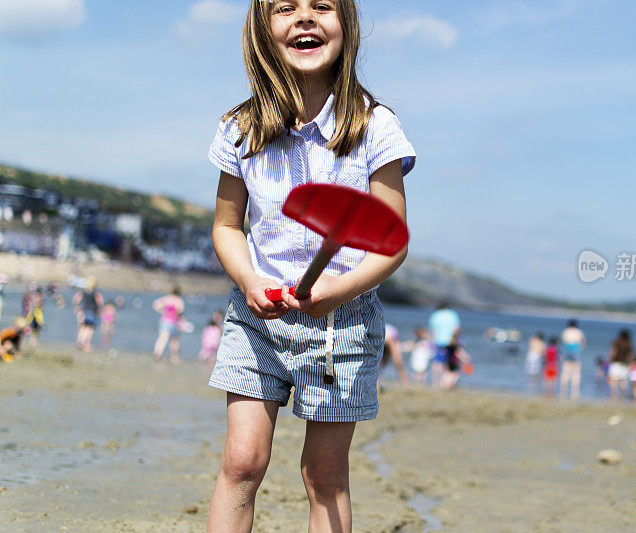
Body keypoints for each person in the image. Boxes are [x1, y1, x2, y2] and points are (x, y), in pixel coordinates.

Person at [204, 1, 416, 530]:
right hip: (259, 317)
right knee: (242, 461)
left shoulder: (374, 126)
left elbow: (391, 242)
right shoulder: (241, 128)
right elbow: (228, 227)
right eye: (285, 8)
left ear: (346, 23)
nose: (304, 18)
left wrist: (340, 291)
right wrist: (249, 280)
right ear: (262, 28)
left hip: (340, 325)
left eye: (322, 6)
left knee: (323, 473)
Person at [428, 302, 461, 388]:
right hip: (451, 342)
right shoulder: (452, 314)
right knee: (449, 362)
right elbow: (457, 329)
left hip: (439, 341)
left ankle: (436, 382)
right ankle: (446, 382)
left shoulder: (435, 315)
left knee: (437, 362)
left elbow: (432, 331)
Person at [152, 287, 185, 364]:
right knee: (175, 341)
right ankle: (174, 358)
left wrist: (162, 311)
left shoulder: (167, 298)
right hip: (174, 322)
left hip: (165, 321)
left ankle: (157, 353)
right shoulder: (179, 300)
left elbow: (155, 304)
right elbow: (180, 311)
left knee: (162, 338)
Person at [72, 277, 103, 353]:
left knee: (83, 327)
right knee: (90, 329)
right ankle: (86, 344)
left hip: (84, 311)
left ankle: (79, 341)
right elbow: (100, 301)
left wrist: (76, 307)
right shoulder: (95, 292)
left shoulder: (83, 291)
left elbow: (76, 298)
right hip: (92, 312)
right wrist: (100, 309)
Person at [559, 319, 585, 400]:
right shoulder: (579, 332)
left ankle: (563, 394)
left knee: (565, 375)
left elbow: (563, 342)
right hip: (576, 356)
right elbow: (583, 344)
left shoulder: (565, 332)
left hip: (567, 355)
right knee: (576, 376)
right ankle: (575, 395)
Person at [380, 323, 410, 389]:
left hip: (389, 335)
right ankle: (405, 385)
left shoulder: (389, 335)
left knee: (397, 363)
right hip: (387, 335)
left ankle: (405, 385)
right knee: (397, 363)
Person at [607, 329, 633, 400]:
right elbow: (630, 355)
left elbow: (613, 352)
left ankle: (614, 394)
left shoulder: (616, 342)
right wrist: (630, 364)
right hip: (625, 364)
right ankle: (623, 395)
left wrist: (610, 359)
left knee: (613, 380)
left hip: (616, 363)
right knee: (623, 380)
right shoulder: (629, 344)